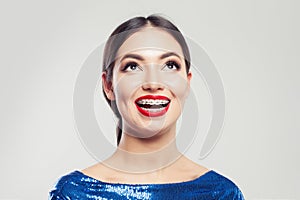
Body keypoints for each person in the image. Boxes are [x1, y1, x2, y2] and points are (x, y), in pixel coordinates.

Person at [49, 14, 244, 199]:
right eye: (133, 66)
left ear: (187, 82)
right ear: (108, 85)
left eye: (170, 65)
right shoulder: (74, 194)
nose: (153, 83)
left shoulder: (222, 194)